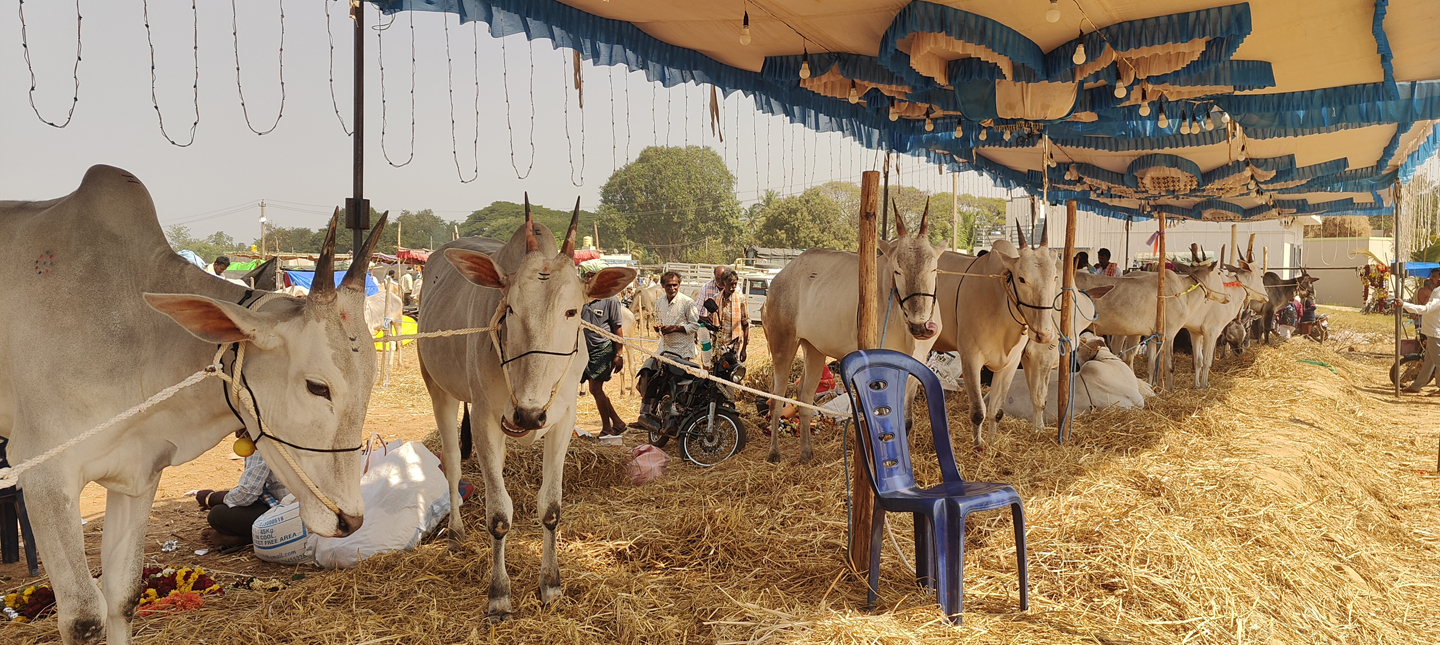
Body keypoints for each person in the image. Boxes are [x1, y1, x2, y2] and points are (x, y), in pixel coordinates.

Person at [633, 271, 699, 430]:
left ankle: (676, 424)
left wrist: (675, 328)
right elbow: (659, 322)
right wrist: (659, 328)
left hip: (682, 352)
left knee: (677, 389)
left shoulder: (687, 303)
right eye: (668, 285)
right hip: (664, 349)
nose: (672, 288)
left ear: (679, 285)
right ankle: (646, 416)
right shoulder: (660, 302)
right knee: (649, 377)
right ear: (662, 286)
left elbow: (695, 325)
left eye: (675, 285)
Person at [195, 454, 289, 548]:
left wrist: (211, 498)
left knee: (217, 514)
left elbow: (247, 494)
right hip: (294, 508)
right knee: (229, 508)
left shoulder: (262, 444)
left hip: (288, 514)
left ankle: (249, 538)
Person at [578, 260, 627, 436]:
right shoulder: (581, 297)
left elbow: (617, 328)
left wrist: (619, 354)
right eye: (587, 275)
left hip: (603, 349)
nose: (589, 278)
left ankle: (607, 427)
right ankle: (618, 422)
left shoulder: (610, 299)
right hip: (584, 350)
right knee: (595, 389)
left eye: (593, 275)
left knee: (595, 389)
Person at [705, 268, 750, 365]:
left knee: (733, 372)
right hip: (718, 344)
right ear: (723, 283)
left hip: (734, 344)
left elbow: (745, 324)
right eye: (730, 284)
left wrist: (744, 349)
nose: (733, 287)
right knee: (716, 371)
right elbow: (710, 320)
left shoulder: (741, 299)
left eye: (735, 284)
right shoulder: (716, 299)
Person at [1403, 285, 1440, 393]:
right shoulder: (1436, 290)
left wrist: (1404, 304)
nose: (1431, 279)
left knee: (1438, 362)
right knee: (1428, 362)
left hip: (1435, 333)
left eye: (1435, 276)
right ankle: (1417, 385)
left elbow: (1427, 309)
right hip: (1431, 332)